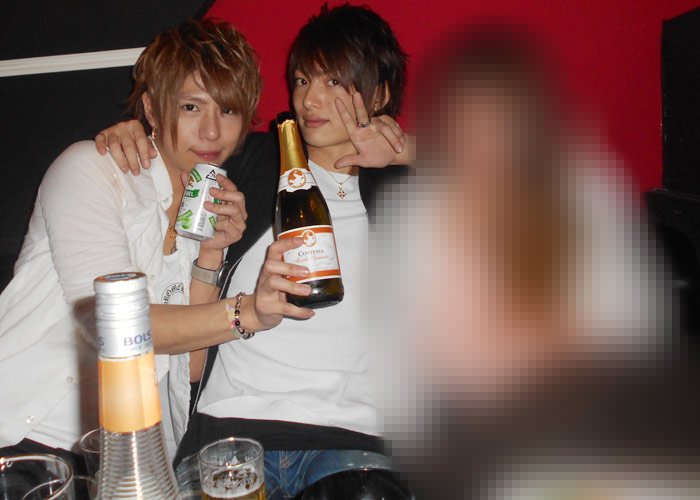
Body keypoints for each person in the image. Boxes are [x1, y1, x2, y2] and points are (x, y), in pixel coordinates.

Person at [95, 5, 414, 498]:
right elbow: (183, 144)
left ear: (380, 95)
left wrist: (407, 150)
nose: (309, 99)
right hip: (229, 430)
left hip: (351, 439)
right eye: (303, 80)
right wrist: (138, 131)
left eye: (333, 81)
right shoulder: (253, 162)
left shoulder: (412, 193)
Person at [0, 19, 318, 470]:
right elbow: (114, 325)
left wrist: (210, 256)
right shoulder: (92, 169)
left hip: (126, 458)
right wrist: (248, 311)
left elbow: (188, 368)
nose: (212, 132)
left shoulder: (206, 212)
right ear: (151, 108)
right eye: (191, 107)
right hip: (21, 436)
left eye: (228, 110)